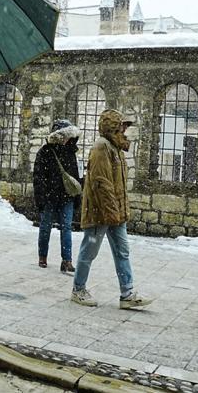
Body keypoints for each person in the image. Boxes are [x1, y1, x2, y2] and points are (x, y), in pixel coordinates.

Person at [70, 109, 152, 309]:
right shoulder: (101, 147)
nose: (125, 130)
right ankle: (78, 289)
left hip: (116, 213)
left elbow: (117, 185)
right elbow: (101, 183)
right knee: (89, 251)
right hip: (101, 213)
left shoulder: (115, 148)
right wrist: (110, 212)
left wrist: (118, 213)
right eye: (122, 125)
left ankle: (127, 293)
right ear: (112, 126)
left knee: (122, 251)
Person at [32, 119, 82, 272]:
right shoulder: (46, 152)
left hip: (66, 196)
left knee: (66, 227)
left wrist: (77, 197)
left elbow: (76, 177)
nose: (67, 138)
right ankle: (42, 256)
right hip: (50, 196)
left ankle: (66, 260)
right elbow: (38, 176)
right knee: (45, 226)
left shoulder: (71, 152)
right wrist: (41, 197)